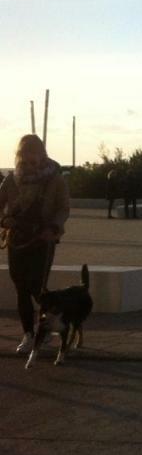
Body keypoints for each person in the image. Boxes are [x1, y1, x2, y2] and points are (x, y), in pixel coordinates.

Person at [1, 135, 70, 355]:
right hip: (17, 238)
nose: (30, 165)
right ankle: (28, 334)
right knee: (20, 286)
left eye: (34, 159)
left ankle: (51, 324)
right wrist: (4, 220)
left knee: (36, 286)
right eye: (25, 159)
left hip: (43, 239)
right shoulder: (11, 180)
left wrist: (54, 228)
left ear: (42, 155)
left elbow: (63, 208)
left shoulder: (55, 179)